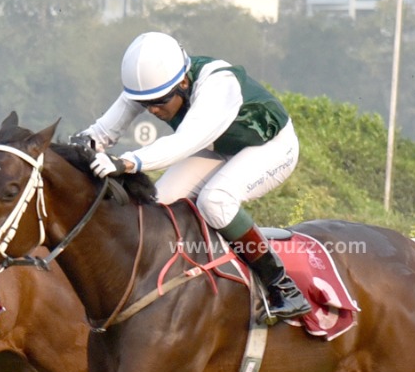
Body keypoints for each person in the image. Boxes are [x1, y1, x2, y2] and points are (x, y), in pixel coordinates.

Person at [72, 31, 313, 323]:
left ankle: (282, 286)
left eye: (159, 102)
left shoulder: (218, 86)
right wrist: (78, 147)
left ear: (184, 84)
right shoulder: (154, 84)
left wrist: (126, 162)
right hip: (217, 147)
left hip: (271, 147)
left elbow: (183, 143)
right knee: (158, 205)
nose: (153, 110)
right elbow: (101, 133)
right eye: (145, 104)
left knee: (215, 201)